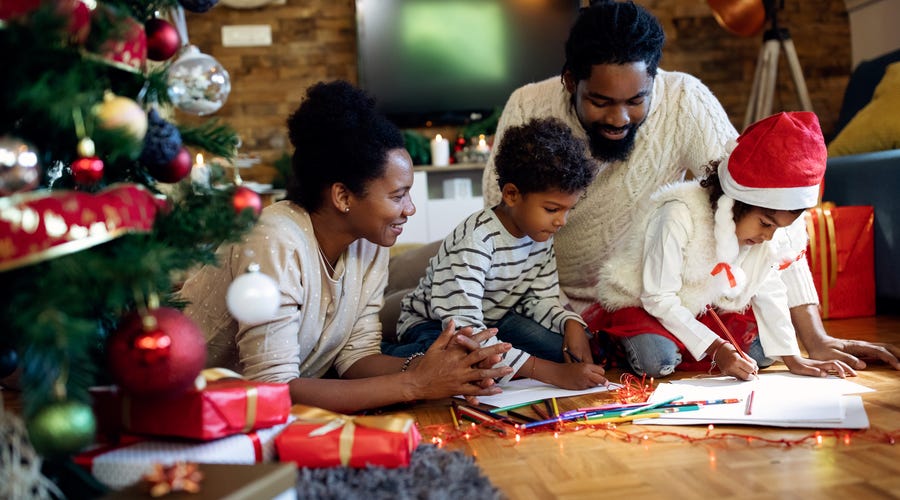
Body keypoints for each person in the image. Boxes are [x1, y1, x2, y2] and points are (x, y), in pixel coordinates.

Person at [482, 0, 900, 370]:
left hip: (661, 296)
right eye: (601, 101)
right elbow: (499, 227)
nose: (619, 119)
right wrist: (558, 315)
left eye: (636, 100)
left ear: (655, 81)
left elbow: (767, 204)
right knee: (525, 346)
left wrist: (815, 338)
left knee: (760, 345)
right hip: (552, 303)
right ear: (571, 82)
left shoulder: (684, 100)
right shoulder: (528, 106)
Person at [179, 80, 513, 414]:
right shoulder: (275, 239)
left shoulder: (369, 241)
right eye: (398, 196)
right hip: (197, 410)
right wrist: (416, 384)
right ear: (343, 197)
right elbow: (272, 390)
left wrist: (438, 370)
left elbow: (356, 356)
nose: (410, 209)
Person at [594, 111, 855, 379]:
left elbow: (768, 286)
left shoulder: (760, 234)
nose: (768, 237)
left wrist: (793, 358)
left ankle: (693, 347)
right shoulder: (678, 214)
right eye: (765, 223)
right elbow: (658, 298)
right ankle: (618, 344)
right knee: (656, 360)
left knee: (764, 353)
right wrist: (717, 349)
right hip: (648, 304)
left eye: (778, 229)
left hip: (703, 308)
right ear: (736, 203)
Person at [384, 118, 608, 390]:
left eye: (567, 210)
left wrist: (570, 323)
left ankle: (505, 364)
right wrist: (553, 374)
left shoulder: (540, 233)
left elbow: (537, 299)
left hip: (495, 321)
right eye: (552, 209)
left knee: (561, 349)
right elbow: (463, 329)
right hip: (437, 327)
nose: (561, 221)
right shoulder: (476, 240)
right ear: (512, 195)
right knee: (459, 366)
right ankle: (387, 355)